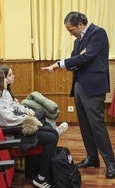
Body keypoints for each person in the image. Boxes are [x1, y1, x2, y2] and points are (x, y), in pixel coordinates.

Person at [41, 11, 115, 179]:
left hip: (94, 87)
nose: (70, 33)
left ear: (80, 24)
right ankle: (92, 158)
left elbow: (85, 58)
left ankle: (111, 163)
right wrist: (78, 59)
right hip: (79, 85)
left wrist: (61, 64)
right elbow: (76, 59)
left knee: (96, 126)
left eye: (70, 29)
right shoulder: (78, 41)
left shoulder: (98, 33)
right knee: (84, 124)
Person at [0, 68, 58, 188]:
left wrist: (27, 116)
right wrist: (28, 118)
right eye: (3, 79)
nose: (6, 81)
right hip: (14, 133)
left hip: (17, 127)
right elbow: (9, 121)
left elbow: (12, 112)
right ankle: (40, 178)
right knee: (51, 137)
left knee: (51, 133)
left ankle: (39, 173)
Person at [0, 65, 68, 136]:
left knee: (34, 97)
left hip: (20, 110)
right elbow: (10, 114)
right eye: (10, 75)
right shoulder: (0, 95)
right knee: (41, 111)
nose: (13, 76)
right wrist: (25, 113)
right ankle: (54, 129)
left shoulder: (7, 91)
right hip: (19, 117)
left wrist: (24, 109)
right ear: (2, 78)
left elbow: (14, 106)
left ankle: (54, 127)